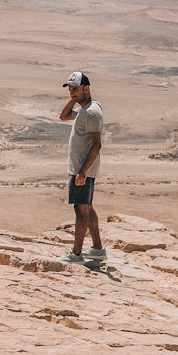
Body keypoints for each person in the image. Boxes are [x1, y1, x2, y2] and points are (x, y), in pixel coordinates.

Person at [58, 72, 106, 263]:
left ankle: (76, 254)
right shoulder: (84, 110)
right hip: (80, 168)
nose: (72, 93)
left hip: (83, 169)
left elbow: (97, 145)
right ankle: (97, 249)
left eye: (75, 89)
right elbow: (63, 116)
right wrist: (75, 99)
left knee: (80, 210)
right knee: (87, 207)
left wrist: (83, 172)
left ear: (87, 88)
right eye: (70, 89)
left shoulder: (91, 113)